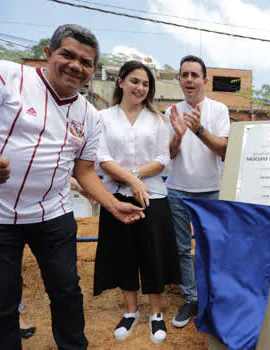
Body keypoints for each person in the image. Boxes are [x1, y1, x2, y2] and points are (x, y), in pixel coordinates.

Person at [0, 24, 144, 350]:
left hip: (53, 214)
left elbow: (85, 170)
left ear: (93, 70)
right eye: (67, 55)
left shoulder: (89, 115)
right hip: (1, 217)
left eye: (86, 62)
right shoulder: (9, 77)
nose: (75, 66)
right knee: (3, 299)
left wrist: (111, 203)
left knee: (66, 292)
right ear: (49, 54)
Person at [93, 60, 181, 344]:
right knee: (123, 254)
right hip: (115, 197)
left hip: (152, 197)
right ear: (120, 82)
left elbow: (162, 160)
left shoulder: (157, 119)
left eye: (145, 84)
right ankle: (131, 311)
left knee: (152, 255)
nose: (140, 88)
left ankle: (156, 313)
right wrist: (132, 181)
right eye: (134, 81)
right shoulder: (103, 117)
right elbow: (101, 157)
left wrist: (132, 176)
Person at [166, 55, 230, 328]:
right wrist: (179, 135)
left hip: (211, 190)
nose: (189, 80)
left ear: (204, 80)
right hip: (177, 190)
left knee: (211, 248)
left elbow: (224, 150)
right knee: (182, 249)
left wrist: (199, 129)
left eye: (194, 75)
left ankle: (212, 298)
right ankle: (191, 298)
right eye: (185, 75)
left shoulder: (219, 109)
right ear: (179, 80)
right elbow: (166, 155)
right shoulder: (171, 112)